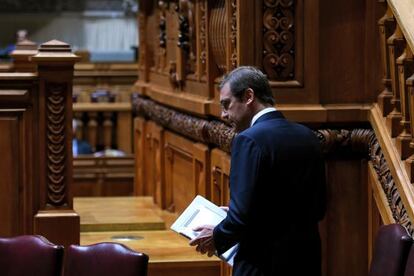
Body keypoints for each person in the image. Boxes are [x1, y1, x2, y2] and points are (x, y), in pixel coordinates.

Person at [189, 66, 326, 275]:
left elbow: (241, 219)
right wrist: (244, 210)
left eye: (226, 105)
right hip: (305, 261)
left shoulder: (249, 140)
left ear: (248, 96)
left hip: (263, 264)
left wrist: (216, 236)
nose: (223, 114)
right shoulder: (307, 135)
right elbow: (317, 206)